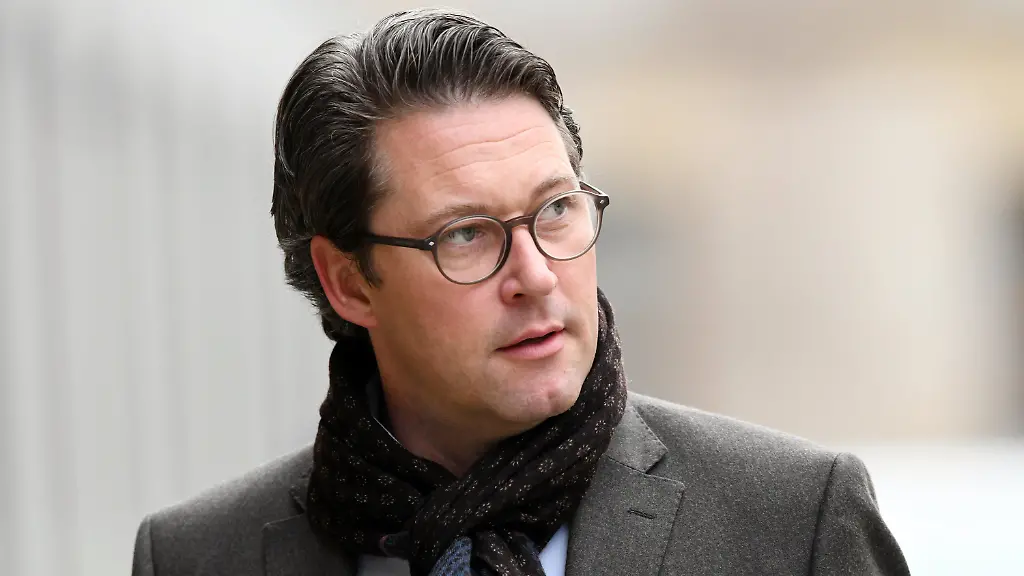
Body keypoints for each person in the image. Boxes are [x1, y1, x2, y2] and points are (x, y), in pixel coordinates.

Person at [131, 8, 911, 576]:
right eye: (466, 234)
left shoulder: (794, 523)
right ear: (348, 281)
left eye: (556, 210)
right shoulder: (199, 557)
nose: (536, 276)